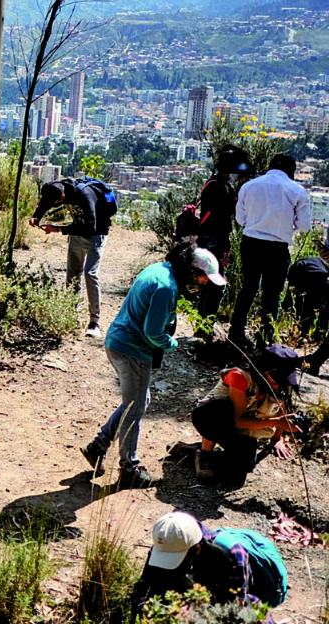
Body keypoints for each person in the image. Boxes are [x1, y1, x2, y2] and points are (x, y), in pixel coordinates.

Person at [80, 241, 224, 489]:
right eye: (203, 278)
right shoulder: (166, 288)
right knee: (134, 409)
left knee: (137, 402)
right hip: (132, 351)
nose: (204, 283)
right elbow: (153, 333)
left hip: (118, 343)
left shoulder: (160, 269)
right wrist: (173, 344)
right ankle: (129, 469)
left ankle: (98, 446)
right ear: (191, 271)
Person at [130, 511, 287, 615]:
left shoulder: (233, 557)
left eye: (176, 560)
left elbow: (234, 610)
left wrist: (192, 616)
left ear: (196, 549)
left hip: (232, 598)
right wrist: (146, 610)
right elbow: (142, 588)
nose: (168, 563)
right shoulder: (167, 545)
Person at [229, 153, 310, 349]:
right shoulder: (297, 191)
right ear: (291, 170)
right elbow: (304, 226)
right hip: (277, 247)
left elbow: (240, 219)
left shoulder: (249, 186)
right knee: (272, 294)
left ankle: (235, 331)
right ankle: (265, 338)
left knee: (249, 287)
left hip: (251, 243)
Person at [192, 344, 302, 483]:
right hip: (213, 418)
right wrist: (276, 421)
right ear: (263, 370)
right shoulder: (240, 376)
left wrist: (276, 439)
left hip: (243, 427)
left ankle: (195, 450)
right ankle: (205, 454)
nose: (278, 385)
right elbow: (238, 420)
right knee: (220, 410)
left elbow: (283, 409)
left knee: (245, 465)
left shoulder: (283, 383)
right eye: (275, 379)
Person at [28, 177, 117, 338]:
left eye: (55, 202)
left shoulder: (84, 195)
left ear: (62, 198)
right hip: (77, 234)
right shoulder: (55, 188)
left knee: (90, 273)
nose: (52, 204)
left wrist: (57, 229)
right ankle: (71, 315)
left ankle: (94, 322)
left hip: (96, 235)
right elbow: (46, 202)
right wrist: (37, 216)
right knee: (72, 274)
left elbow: (91, 226)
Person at [193, 146, 254, 325]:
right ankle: (204, 327)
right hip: (212, 240)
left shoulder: (222, 185)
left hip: (213, 239)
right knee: (217, 286)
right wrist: (222, 249)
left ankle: (202, 325)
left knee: (210, 286)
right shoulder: (217, 187)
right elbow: (222, 218)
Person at [282, 238, 329, 342]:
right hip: (320, 280)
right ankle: (318, 334)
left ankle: (303, 333)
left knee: (302, 302)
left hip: (301, 273)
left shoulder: (304, 262)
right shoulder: (322, 264)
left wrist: (287, 304)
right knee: (322, 305)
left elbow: (291, 289)